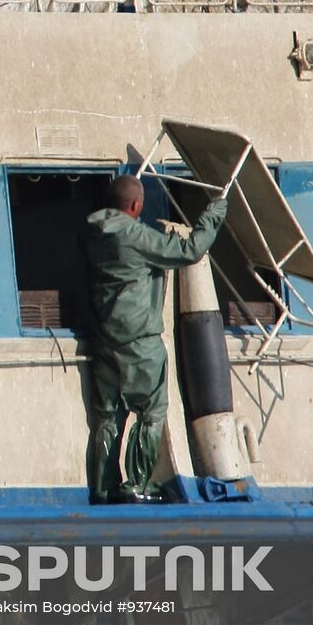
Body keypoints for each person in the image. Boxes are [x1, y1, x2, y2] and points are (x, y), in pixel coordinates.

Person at [81, 174, 228, 504]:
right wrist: (213, 215)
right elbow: (190, 250)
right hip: (139, 340)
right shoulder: (134, 235)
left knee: (107, 416)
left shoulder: (92, 233)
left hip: (104, 338)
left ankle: (103, 488)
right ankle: (136, 484)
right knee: (150, 411)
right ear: (135, 205)